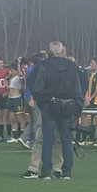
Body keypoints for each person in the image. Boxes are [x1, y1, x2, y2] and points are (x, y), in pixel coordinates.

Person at [29, 41, 84, 180]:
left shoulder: (44, 65)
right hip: (67, 106)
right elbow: (79, 88)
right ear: (62, 51)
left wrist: (42, 102)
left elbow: (35, 85)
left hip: (49, 105)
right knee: (66, 139)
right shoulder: (72, 67)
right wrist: (77, 107)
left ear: (50, 52)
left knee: (48, 139)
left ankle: (46, 171)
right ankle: (66, 172)